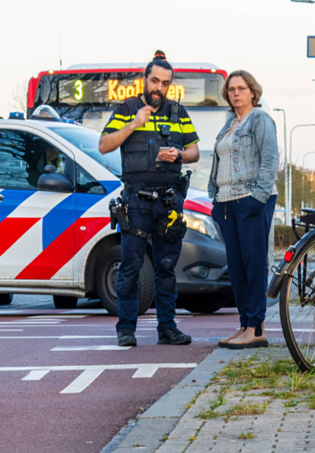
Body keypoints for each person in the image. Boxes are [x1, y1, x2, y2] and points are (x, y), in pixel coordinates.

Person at [99, 51, 199, 347]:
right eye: (154, 80)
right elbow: (104, 144)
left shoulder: (178, 113)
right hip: (136, 203)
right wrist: (133, 124)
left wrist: (180, 154)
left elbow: (195, 151)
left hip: (168, 203)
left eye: (165, 83)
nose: (159, 87)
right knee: (130, 265)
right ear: (145, 79)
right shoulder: (127, 108)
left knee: (166, 267)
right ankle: (126, 329)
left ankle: (167, 328)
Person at [207, 71, 278, 349]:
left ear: (252, 92)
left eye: (241, 88)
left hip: (251, 199)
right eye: (232, 89)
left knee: (254, 264)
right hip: (226, 202)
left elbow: (270, 159)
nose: (236, 93)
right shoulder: (228, 124)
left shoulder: (259, 119)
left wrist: (257, 197)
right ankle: (244, 324)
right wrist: (215, 199)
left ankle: (257, 328)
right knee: (236, 269)